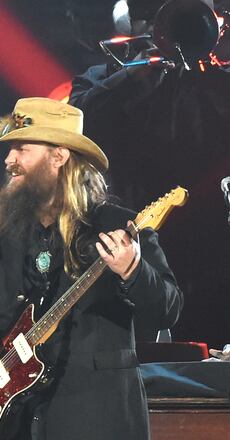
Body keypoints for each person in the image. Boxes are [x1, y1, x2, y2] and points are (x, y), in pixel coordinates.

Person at [0, 97, 183, 439]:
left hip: (93, 420)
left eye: (21, 149)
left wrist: (133, 270)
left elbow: (168, 310)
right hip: (7, 423)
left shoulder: (118, 226)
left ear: (59, 156)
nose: (9, 160)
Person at [70, 0, 230, 345]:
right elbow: (77, 122)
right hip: (134, 235)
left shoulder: (217, 84)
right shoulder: (108, 77)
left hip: (210, 245)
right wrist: (133, 76)